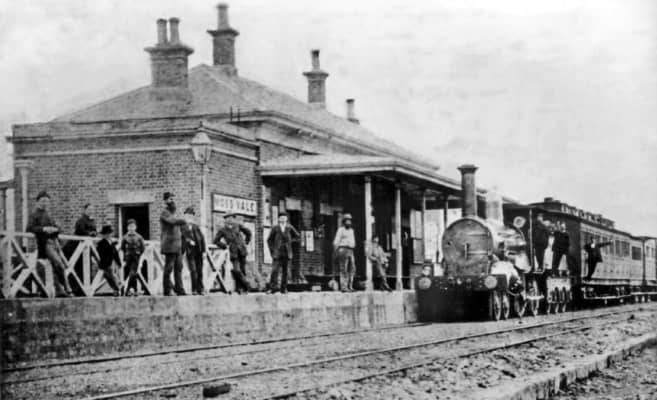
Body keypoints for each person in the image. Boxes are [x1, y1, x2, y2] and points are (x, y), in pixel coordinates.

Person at [26, 191, 73, 297]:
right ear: (37, 202)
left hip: (55, 243)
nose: (45, 203)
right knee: (59, 264)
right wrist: (44, 229)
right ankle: (67, 288)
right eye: (43, 201)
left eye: (47, 201)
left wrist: (55, 229)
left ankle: (60, 290)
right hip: (45, 243)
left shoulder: (49, 215)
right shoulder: (34, 215)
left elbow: (58, 228)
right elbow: (29, 228)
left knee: (58, 266)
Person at [214, 213, 252, 294]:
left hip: (242, 251)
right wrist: (225, 246)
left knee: (242, 270)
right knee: (236, 270)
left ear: (234, 219)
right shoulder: (222, 230)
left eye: (231, 218)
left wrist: (246, 242)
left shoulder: (238, 226)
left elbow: (248, 232)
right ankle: (246, 285)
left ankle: (241, 289)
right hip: (233, 252)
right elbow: (216, 241)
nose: (230, 220)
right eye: (228, 218)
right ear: (225, 220)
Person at [160, 192, 187, 296]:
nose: (172, 201)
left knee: (179, 267)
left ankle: (179, 289)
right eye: (170, 199)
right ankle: (167, 290)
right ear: (165, 201)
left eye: (173, 199)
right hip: (169, 245)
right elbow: (173, 221)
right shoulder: (165, 213)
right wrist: (184, 220)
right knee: (169, 267)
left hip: (177, 245)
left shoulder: (173, 214)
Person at [266, 212, 300, 293]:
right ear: (278, 219)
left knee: (285, 271)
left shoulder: (289, 227)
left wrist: (290, 242)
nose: (283, 219)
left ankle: (284, 288)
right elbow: (269, 240)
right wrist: (272, 250)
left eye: (284, 218)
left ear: (286, 219)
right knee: (275, 270)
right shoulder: (275, 228)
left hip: (287, 253)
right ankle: (273, 288)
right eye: (281, 218)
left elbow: (298, 237)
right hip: (277, 253)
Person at [181, 207, 206, 295]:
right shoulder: (182, 227)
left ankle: (200, 289)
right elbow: (182, 237)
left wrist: (204, 251)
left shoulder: (196, 227)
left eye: (191, 216)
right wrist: (189, 241)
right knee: (193, 270)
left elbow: (202, 239)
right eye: (188, 216)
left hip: (198, 252)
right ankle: (194, 289)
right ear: (185, 216)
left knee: (200, 271)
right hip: (190, 252)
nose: (189, 218)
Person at [120, 219, 145, 296]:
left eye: (133, 226)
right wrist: (125, 255)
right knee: (130, 274)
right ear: (127, 227)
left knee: (132, 273)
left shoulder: (139, 237)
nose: (131, 228)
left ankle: (128, 289)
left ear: (135, 227)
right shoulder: (125, 237)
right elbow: (122, 247)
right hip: (128, 257)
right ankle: (135, 289)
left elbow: (143, 248)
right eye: (130, 226)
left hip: (136, 257)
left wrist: (139, 255)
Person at [333, 213, 356, 292]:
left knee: (352, 268)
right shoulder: (341, 230)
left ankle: (350, 286)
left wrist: (352, 246)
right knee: (344, 269)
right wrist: (337, 250)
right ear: (344, 221)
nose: (348, 222)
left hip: (351, 250)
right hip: (343, 249)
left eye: (350, 221)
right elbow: (336, 241)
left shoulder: (351, 231)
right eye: (347, 221)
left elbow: (353, 241)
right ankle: (344, 287)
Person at [96, 224, 121, 296]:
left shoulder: (112, 243)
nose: (107, 235)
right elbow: (100, 252)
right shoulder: (101, 243)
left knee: (112, 275)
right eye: (106, 234)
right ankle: (117, 288)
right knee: (108, 275)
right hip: (105, 262)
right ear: (103, 235)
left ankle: (117, 288)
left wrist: (119, 262)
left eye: (109, 234)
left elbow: (115, 253)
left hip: (111, 262)